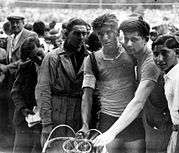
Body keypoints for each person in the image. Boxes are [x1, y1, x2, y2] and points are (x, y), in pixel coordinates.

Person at [92, 17, 172, 153]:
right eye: (125, 38)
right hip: (150, 121)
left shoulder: (151, 62)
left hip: (162, 124)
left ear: (146, 39)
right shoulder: (136, 55)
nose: (128, 44)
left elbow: (138, 101)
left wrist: (111, 132)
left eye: (134, 39)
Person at [81, 14, 146, 153]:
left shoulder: (131, 52)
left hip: (133, 118)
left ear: (117, 32)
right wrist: (85, 125)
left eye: (109, 33)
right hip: (108, 118)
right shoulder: (92, 59)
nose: (105, 38)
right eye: (100, 34)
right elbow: (87, 95)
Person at [35, 17, 89, 146]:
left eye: (84, 34)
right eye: (76, 33)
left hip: (80, 118)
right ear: (66, 34)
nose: (81, 37)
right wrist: (47, 123)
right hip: (57, 116)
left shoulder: (90, 58)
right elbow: (43, 91)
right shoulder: (53, 57)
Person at [11, 36, 44, 153]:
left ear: (42, 47)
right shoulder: (25, 67)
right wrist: (22, 108)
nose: (38, 59)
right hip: (26, 119)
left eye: (38, 54)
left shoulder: (54, 65)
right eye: (32, 58)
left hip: (45, 121)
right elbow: (15, 91)